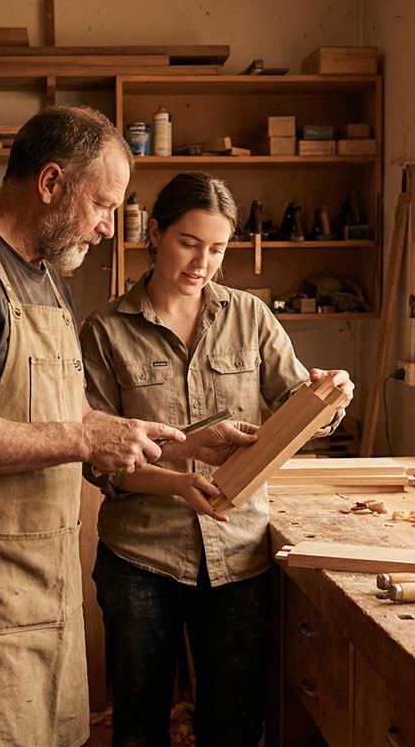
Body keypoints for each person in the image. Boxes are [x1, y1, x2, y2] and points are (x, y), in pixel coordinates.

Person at [0, 108, 252, 746]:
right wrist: (84, 440)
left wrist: (181, 444)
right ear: (51, 183)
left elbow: (66, 414)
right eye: (103, 206)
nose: (110, 229)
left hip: (42, 585)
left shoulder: (47, 275)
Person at [79, 172, 356, 747]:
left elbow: (297, 405)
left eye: (217, 248)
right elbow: (100, 461)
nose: (202, 262)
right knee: (139, 722)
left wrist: (327, 397)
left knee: (232, 722)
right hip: (141, 557)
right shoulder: (106, 332)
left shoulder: (251, 317)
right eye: (188, 242)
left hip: (238, 555)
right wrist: (178, 485)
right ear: (154, 234)